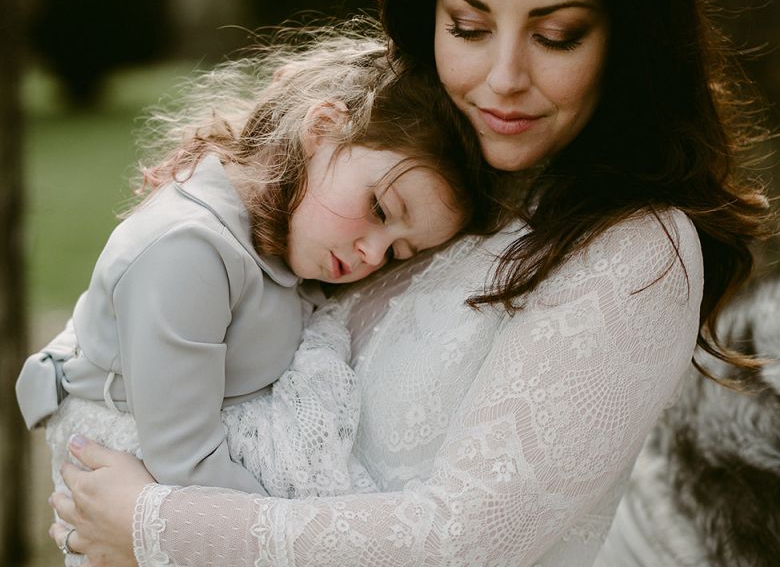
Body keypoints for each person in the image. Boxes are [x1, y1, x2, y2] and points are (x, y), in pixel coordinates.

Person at [48, 0, 771, 567]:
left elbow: (465, 539)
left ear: (632, 36)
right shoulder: (402, 157)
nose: (503, 80)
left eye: (556, 36)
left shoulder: (638, 252)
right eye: (467, 26)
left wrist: (155, 526)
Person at [19, 36, 490, 560]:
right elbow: (186, 465)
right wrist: (313, 538)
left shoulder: (292, 240)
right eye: (380, 209)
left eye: (400, 251)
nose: (373, 255)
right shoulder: (189, 252)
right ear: (322, 129)